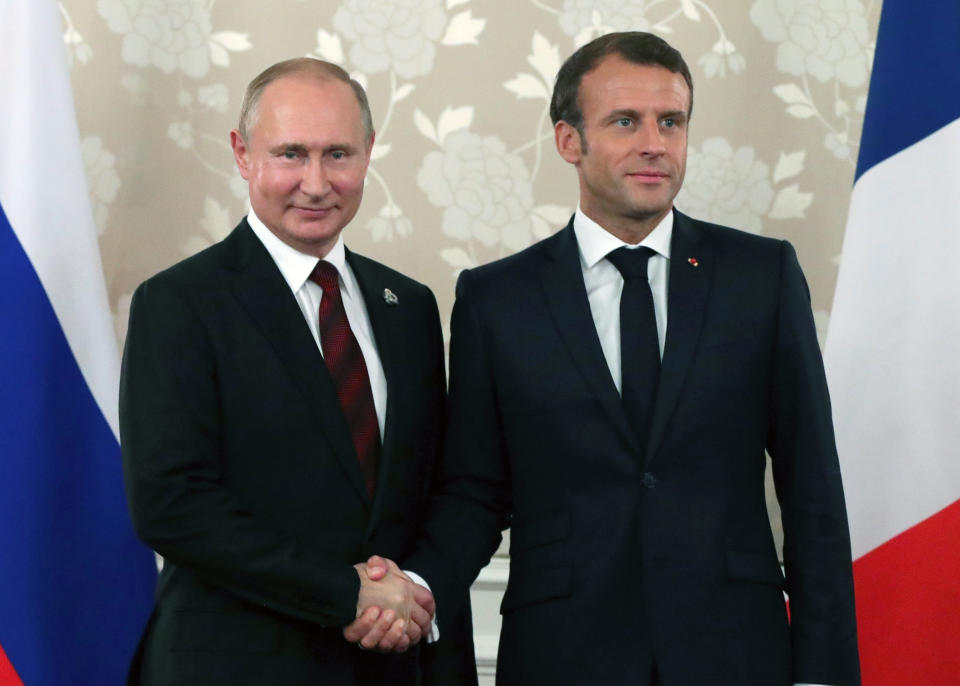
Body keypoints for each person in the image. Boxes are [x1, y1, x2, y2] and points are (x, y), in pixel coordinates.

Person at [400, 32, 860, 685]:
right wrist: (418, 584)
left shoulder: (762, 278)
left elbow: (811, 486)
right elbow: (474, 490)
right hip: (561, 655)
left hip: (736, 653)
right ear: (568, 141)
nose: (654, 143)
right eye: (625, 122)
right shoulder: (495, 299)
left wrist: (825, 672)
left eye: (670, 122)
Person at [120, 57, 476, 685]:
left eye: (338, 154)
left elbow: (445, 486)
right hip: (238, 668)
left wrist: (412, 590)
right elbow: (172, 503)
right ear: (242, 154)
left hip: (397, 668)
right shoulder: (179, 303)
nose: (316, 183)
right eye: (290, 154)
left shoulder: (410, 306)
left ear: (368, 151)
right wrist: (348, 595)